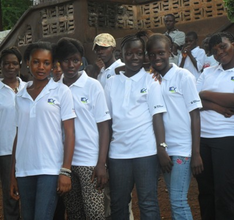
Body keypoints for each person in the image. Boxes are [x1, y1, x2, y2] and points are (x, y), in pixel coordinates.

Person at [9, 41, 76, 220]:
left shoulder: (61, 91)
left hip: (50, 169)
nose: (41, 67)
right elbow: (18, 135)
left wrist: (65, 170)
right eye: (36, 62)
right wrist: (14, 174)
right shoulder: (20, 95)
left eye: (46, 63)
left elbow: (69, 133)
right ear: (28, 63)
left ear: (53, 65)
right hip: (24, 171)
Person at [104, 34, 167, 220]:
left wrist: (161, 147)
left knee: (148, 202)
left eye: (139, 53)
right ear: (121, 55)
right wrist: (105, 155)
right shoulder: (111, 82)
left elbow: (157, 116)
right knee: (118, 202)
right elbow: (106, 121)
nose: (135, 57)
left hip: (145, 152)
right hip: (118, 154)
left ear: (145, 56)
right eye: (129, 53)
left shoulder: (151, 81)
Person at [196, 32, 234, 220]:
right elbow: (192, 101)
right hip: (202, 138)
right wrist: (217, 107)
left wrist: (205, 93)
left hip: (227, 138)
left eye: (223, 46)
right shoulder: (207, 72)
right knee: (205, 190)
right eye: (215, 51)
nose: (220, 53)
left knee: (224, 190)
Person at [146, 33, 203, 219]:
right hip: (162, 150)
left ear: (170, 51)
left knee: (178, 201)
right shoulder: (151, 79)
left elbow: (195, 115)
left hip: (181, 148)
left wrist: (196, 153)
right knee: (174, 198)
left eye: (161, 53)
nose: (157, 58)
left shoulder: (183, 76)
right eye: (152, 54)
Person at [55, 37, 111, 219]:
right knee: (74, 212)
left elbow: (104, 126)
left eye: (75, 60)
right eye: (66, 60)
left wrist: (101, 163)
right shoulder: (55, 88)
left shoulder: (92, 86)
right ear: (59, 62)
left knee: (94, 212)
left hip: (90, 161)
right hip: (65, 163)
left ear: (81, 60)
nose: (71, 65)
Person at [0, 46, 24, 220]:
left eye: (14, 63)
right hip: (6, 151)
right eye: (6, 63)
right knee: (10, 197)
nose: (10, 67)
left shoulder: (28, 87)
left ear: (20, 66)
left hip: (28, 150)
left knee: (28, 195)